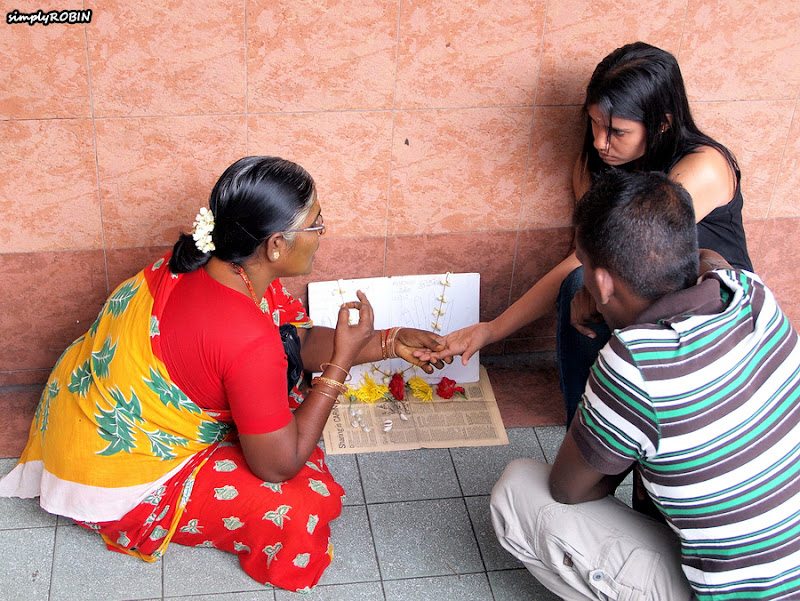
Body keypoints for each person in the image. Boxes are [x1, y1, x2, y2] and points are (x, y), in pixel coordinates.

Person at [0, 156, 448, 593]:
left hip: (84, 410)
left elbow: (291, 338)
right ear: (275, 245)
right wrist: (339, 366)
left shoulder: (211, 266)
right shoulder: (247, 338)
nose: (322, 233)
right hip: (113, 474)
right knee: (303, 506)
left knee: (286, 388)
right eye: (316, 224)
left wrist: (387, 341)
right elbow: (277, 466)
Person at [490, 170, 800, 601]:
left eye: (585, 266)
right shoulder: (752, 292)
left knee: (519, 488)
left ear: (602, 283)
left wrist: (622, 442)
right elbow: (711, 258)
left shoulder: (635, 361)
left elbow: (570, 490)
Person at [423, 41, 753, 425]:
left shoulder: (702, 167)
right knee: (580, 282)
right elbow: (580, 261)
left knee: (589, 285)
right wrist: (491, 330)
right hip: (636, 298)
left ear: (662, 123)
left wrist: (589, 292)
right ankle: (585, 425)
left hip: (707, 307)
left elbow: (635, 257)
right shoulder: (596, 162)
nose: (599, 141)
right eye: (594, 122)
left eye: (617, 131)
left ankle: (632, 426)